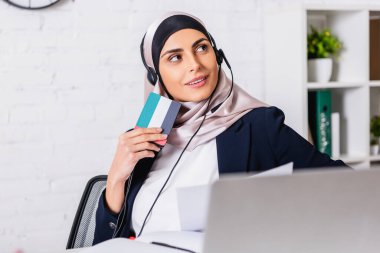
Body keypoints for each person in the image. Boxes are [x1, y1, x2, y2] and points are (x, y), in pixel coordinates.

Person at [93, 11, 347, 245]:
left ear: (218, 56)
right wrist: (116, 178)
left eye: (202, 48)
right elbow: (104, 244)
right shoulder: (142, 139)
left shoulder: (259, 126)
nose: (194, 64)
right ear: (154, 76)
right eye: (175, 57)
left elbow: (343, 186)